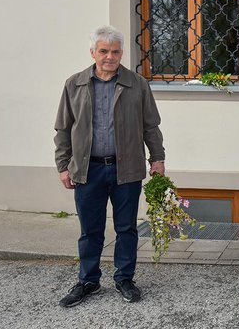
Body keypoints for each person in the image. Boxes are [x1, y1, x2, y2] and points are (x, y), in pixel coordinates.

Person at [54, 26, 165, 307]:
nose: (110, 56)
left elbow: (151, 126)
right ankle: (88, 281)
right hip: (87, 170)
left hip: (125, 169)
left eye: (115, 51)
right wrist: (63, 166)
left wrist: (158, 159)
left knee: (126, 228)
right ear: (93, 52)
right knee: (90, 230)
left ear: (121, 54)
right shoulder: (74, 84)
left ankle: (124, 278)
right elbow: (63, 129)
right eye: (104, 51)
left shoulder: (137, 84)